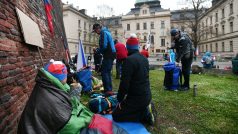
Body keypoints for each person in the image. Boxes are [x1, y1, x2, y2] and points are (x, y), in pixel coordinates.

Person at [18, 59, 93, 134]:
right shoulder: (50, 98)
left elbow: (69, 103)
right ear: (63, 75)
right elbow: (69, 126)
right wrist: (89, 119)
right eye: (66, 73)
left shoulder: (47, 85)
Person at [112, 34, 155, 125]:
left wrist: (119, 100)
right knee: (127, 109)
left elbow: (124, 84)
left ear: (127, 48)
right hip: (147, 95)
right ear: (137, 47)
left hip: (137, 98)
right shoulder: (144, 58)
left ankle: (145, 114)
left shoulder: (128, 61)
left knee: (116, 115)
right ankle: (145, 108)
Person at [92, 23, 116, 93]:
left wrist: (97, 51)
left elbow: (104, 46)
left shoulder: (103, 33)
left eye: (95, 31)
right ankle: (109, 89)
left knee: (104, 72)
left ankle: (107, 90)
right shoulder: (107, 32)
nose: (96, 33)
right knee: (107, 72)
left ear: (97, 29)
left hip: (108, 53)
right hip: (111, 53)